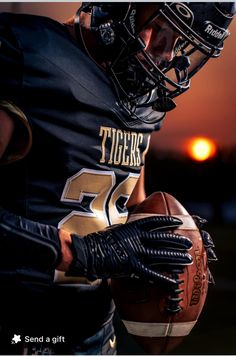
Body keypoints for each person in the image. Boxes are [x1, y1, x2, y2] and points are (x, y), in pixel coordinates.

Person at [0, 2, 234, 354]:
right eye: (163, 33)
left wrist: (166, 239)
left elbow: (127, 204)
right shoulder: (27, 55)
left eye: (182, 46)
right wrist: (79, 252)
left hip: (95, 337)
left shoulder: (145, 101)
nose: (167, 57)